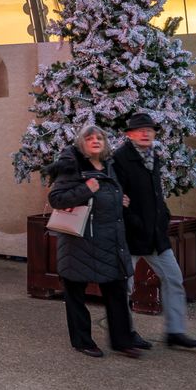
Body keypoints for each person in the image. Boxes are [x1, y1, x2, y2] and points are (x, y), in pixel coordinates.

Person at [113, 113, 196, 350]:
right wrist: (133, 221)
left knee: (174, 279)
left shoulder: (153, 157)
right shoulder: (120, 159)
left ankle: (175, 332)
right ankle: (125, 336)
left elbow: (156, 195)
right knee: (124, 287)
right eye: (140, 130)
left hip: (156, 235)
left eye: (150, 130)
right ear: (129, 134)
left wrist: (163, 215)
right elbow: (116, 198)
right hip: (131, 236)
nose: (146, 133)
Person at [47, 125, 139, 359]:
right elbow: (56, 199)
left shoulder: (109, 166)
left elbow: (107, 198)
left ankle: (122, 340)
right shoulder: (71, 167)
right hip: (79, 244)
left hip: (109, 242)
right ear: (81, 143)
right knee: (75, 295)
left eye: (100, 137)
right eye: (90, 138)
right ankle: (82, 341)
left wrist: (121, 200)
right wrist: (86, 189)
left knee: (117, 291)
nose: (96, 140)